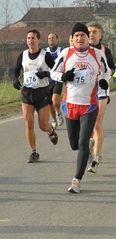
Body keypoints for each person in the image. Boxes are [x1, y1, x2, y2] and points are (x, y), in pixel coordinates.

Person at [50, 23, 110, 193]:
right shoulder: (66, 53)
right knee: (74, 144)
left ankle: (76, 180)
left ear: (87, 38)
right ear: (72, 38)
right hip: (69, 104)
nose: (80, 38)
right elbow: (53, 72)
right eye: (76, 35)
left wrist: (104, 82)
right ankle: (88, 151)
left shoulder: (97, 54)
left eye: (82, 35)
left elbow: (106, 71)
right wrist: (63, 76)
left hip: (89, 105)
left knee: (83, 141)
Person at [12, 29, 58, 164]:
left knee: (43, 125)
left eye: (33, 38)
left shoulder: (45, 55)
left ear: (39, 40)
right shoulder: (23, 55)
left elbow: (56, 72)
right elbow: (15, 70)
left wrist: (45, 74)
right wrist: (14, 79)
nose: (30, 41)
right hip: (27, 92)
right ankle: (33, 152)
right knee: (28, 123)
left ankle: (51, 131)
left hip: (42, 92)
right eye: (28, 38)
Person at [86, 21, 116, 174]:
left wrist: (108, 76)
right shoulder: (81, 51)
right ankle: (91, 145)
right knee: (87, 125)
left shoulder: (105, 50)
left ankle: (96, 159)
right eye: (89, 31)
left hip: (101, 90)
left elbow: (113, 68)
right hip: (85, 91)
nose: (91, 34)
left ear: (100, 35)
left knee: (97, 124)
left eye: (94, 32)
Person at [46, 33, 64, 129]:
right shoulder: (44, 51)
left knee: (55, 101)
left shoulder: (61, 50)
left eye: (53, 38)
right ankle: (53, 119)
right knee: (49, 103)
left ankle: (58, 113)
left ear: (57, 40)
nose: (51, 39)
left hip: (57, 78)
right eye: (49, 38)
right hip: (47, 80)